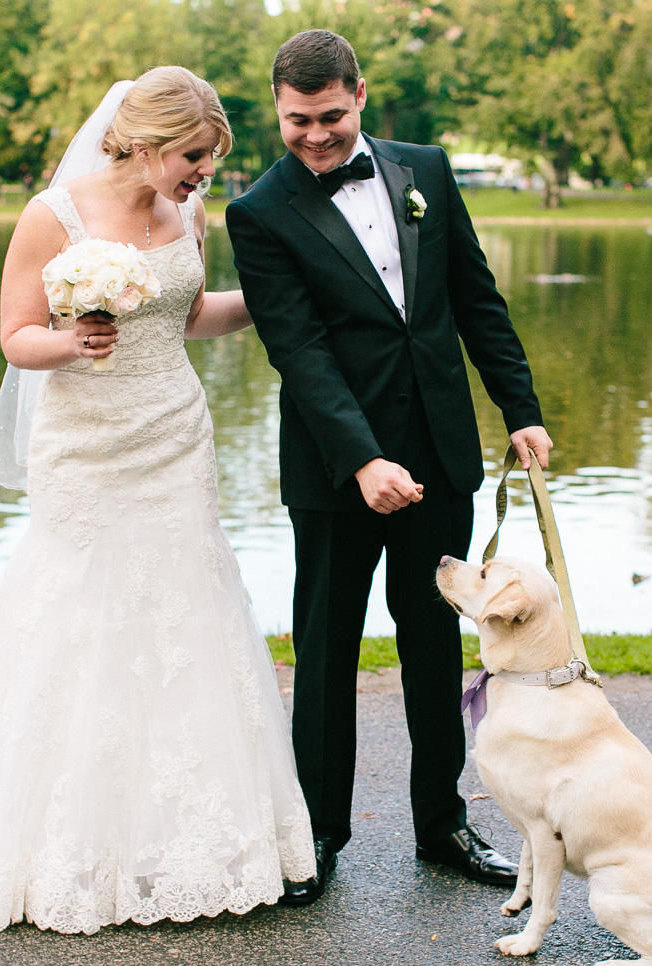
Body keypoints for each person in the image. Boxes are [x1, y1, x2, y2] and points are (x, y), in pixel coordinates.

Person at [0, 66, 316, 934]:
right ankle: (59, 838)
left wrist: (276, 301)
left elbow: (187, 316)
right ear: (144, 145)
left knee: (187, 611)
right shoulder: (53, 216)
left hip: (174, 432)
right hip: (86, 445)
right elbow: (15, 338)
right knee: (77, 614)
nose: (202, 178)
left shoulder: (186, 215)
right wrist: (72, 341)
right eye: (192, 159)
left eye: (210, 164)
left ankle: (187, 833)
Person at [226, 30, 553, 905]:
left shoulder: (427, 172)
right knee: (328, 651)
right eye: (298, 121)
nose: (316, 136)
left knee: (433, 643)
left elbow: (477, 300)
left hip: (442, 451)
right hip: (336, 471)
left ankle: (442, 825)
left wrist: (519, 409)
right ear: (278, 108)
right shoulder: (257, 213)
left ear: (359, 95)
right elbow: (298, 351)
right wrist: (363, 457)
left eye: (331, 116)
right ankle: (318, 837)